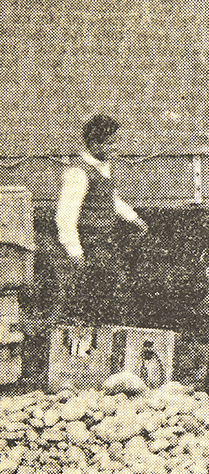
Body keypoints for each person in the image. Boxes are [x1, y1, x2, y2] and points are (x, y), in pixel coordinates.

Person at [55, 114, 148, 325]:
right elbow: (65, 216)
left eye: (116, 142)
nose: (116, 148)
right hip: (91, 244)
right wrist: (75, 252)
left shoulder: (103, 167)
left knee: (111, 296)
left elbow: (110, 199)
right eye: (110, 143)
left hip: (106, 242)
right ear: (95, 144)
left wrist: (133, 218)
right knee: (108, 298)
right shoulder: (78, 172)